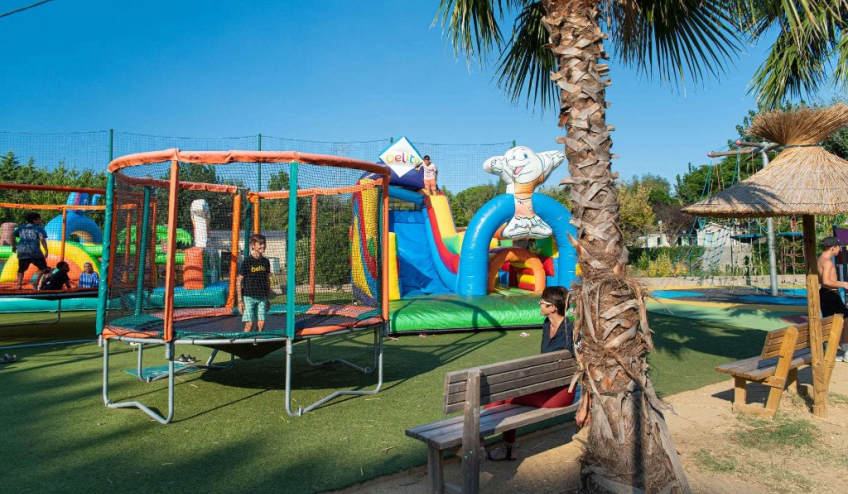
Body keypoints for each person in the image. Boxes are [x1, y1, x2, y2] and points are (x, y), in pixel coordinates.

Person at [484, 285, 577, 461]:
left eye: (542, 302)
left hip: (561, 393)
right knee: (503, 391)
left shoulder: (571, 332)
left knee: (507, 398)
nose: (539, 304)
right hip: (545, 385)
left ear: (552, 307)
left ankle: (492, 442)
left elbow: (581, 365)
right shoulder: (547, 324)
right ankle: (486, 439)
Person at [817, 236, 848, 362]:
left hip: (825, 294)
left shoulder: (820, 259)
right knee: (846, 320)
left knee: (831, 322)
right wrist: (843, 284)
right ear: (833, 248)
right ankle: (847, 352)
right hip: (830, 294)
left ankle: (831, 351)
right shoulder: (827, 262)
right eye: (838, 247)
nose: (839, 249)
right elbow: (826, 281)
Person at [237, 234, 272, 332]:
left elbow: (267, 280)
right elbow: (239, 281)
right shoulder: (247, 261)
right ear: (253, 246)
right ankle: (243, 341)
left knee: (261, 324)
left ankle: (256, 339)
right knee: (249, 324)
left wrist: (268, 298)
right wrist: (240, 301)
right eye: (260, 244)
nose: (263, 246)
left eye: (264, 243)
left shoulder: (265, 262)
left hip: (262, 297)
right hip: (249, 297)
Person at [12, 212, 49, 290]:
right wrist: (46, 250)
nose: (41, 220)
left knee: (21, 269)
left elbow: (13, 235)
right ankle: (36, 282)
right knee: (43, 267)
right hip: (34, 251)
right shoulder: (39, 228)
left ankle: (19, 285)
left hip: (22, 251)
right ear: (35, 220)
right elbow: (42, 239)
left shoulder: (22, 227)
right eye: (39, 219)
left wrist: (14, 246)